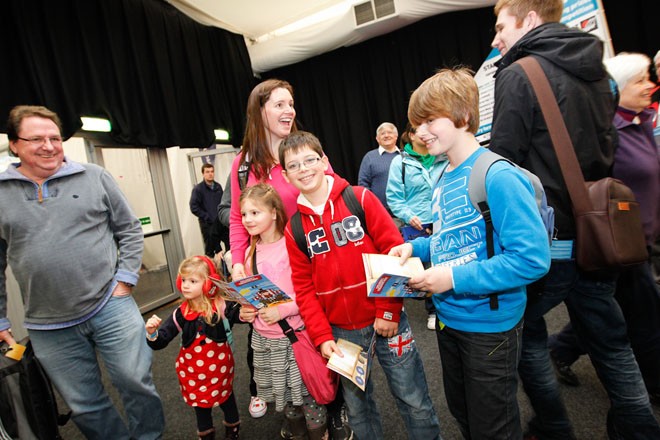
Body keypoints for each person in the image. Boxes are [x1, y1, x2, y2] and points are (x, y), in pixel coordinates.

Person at [489, 1, 660, 438]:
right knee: (612, 343)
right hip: (600, 236)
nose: (496, 39)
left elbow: (504, 162)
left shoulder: (518, 74)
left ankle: (553, 427)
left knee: (526, 337)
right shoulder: (599, 73)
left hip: (548, 242)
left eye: (500, 26)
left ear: (528, 21)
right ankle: (638, 428)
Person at [388, 67, 550, 439]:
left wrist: (452, 278)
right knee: (464, 414)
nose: (421, 132)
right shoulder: (444, 177)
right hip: (450, 322)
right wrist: (415, 246)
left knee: (494, 427)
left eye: (430, 120)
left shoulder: (497, 175)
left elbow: (531, 259)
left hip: (490, 330)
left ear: (462, 116)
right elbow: (450, 237)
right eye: (417, 124)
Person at [0, 105, 164, 439]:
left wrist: (126, 280)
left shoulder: (94, 177)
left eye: (55, 138)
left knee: (137, 383)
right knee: (84, 404)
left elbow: (130, 230)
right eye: (37, 139)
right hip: (47, 324)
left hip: (110, 303)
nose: (49, 146)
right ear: (14, 144)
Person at [279, 131, 441, 440]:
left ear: (324, 161)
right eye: (294, 165)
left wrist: (389, 312)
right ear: (286, 176)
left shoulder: (360, 198)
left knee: (414, 400)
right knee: (358, 410)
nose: (304, 169)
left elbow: (394, 254)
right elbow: (304, 290)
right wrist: (322, 336)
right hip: (341, 334)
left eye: (310, 160)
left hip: (387, 321)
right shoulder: (294, 229)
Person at [227, 79, 348, 437]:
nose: (289, 110)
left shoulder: (303, 153)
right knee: (288, 340)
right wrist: (238, 262)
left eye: (291, 103)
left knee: (329, 337)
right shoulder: (244, 165)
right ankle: (299, 408)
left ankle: (336, 406)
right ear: (259, 111)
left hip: (318, 261)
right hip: (273, 268)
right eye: (279, 104)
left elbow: (335, 194)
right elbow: (237, 218)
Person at [548, 52, 660, 405]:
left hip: (647, 239)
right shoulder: (608, 132)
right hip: (622, 245)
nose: (649, 86)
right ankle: (654, 386)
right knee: (644, 318)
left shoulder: (643, 123)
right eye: (639, 80)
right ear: (619, 88)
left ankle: (559, 349)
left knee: (614, 313)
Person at [237, 183, 326, 439]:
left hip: (294, 336)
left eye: (255, 213)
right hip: (265, 340)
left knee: (308, 396)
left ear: (274, 213)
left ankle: (320, 433)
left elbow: (313, 291)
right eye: (244, 214)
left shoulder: (291, 245)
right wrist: (246, 311)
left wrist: (283, 310)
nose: (248, 219)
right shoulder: (249, 250)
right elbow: (254, 294)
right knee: (284, 397)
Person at [146, 255, 239, 440]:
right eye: (184, 280)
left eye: (193, 281)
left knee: (226, 397)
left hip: (219, 369)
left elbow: (238, 315)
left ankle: (233, 426)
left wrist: (244, 310)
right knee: (200, 404)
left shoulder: (219, 306)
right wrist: (151, 333)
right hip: (193, 372)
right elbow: (161, 340)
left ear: (208, 284)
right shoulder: (181, 312)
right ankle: (206, 433)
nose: (185, 285)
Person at [386, 123, 446, 330]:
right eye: (419, 130)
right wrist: (408, 215)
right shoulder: (400, 162)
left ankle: (440, 309)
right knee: (421, 269)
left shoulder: (442, 155)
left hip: (444, 219)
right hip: (417, 223)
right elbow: (394, 197)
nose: (426, 133)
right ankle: (428, 308)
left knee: (444, 263)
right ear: (410, 135)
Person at [357, 122, 400, 216]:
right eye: (382, 133)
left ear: (396, 136)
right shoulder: (370, 157)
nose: (386, 135)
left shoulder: (404, 156)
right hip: (381, 212)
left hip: (406, 210)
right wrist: (374, 205)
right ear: (377, 139)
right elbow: (363, 185)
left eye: (389, 132)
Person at [190, 163, 227, 257]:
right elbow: (194, 207)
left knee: (229, 244)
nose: (210, 174)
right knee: (210, 250)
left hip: (220, 224)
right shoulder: (198, 189)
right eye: (207, 172)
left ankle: (227, 269)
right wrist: (207, 217)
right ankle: (209, 269)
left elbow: (223, 202)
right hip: (208, 226)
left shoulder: (218, 186)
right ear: (203, 174)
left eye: (212, 171)